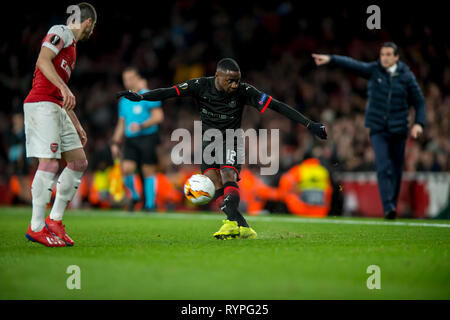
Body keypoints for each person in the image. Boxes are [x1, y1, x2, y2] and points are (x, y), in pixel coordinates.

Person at [117, 58, 327, 239]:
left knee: (228, 174)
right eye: (230, 80)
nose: (235, 85)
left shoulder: (245, 91)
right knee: (212, 181)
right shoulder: (200, 85)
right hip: (209, 142)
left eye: (237, 80)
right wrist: (142, 97)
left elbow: (277, 105)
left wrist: (310, 125)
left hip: (232, 139)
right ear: (218, 76)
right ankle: (241, 226)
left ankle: (230, 225)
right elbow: (170, 92)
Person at [312, 42, 426, 219]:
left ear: (396, 57)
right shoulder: (374, 70)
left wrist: (419, 123)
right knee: (382, 166)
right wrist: (331, 59)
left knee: (396, 168)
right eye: (382, 54)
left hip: (399, 129)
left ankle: (392, 203)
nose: (385, 58)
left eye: (389, 54)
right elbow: (352, 64)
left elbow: (419, 102)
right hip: (378, 128)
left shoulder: (406, 77)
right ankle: (388, 207)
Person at [23, 3, 97, 246]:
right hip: (41, 104)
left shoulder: (72, 50)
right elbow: (42, 61)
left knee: (78, 161)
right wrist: (65, 87)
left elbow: (60, 92)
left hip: (56, 107)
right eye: (92, 27)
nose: (92, 32)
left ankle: (54, 221)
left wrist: (76, 122)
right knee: (50, 162)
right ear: (88, 22)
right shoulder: (61, 31)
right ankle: (35, 227)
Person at [111, 67, 164, 211]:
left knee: (148, 171)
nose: (128, 82)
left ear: (137, 78)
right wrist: (115, 142)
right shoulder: (124, 101)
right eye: (125, 79)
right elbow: (121, 123)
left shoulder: (147, 94)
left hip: (148, 136)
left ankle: (150, 205)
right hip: (131, 140)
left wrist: (141, 125)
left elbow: (159, 116)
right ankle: (135, 196)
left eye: (130, 78)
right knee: (127, 169)